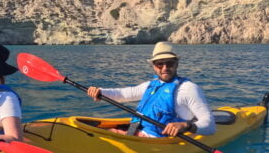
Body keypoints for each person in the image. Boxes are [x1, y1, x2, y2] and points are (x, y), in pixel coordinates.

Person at [86, 41, 216, 137]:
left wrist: (186, 125)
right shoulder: (151, 85)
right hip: (136, 132)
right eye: (160, 64)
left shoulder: (189, 89)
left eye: (169, 63)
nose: (165, 68)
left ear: (176, 64)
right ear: (153, 66)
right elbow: (123, 94)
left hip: (159, 141)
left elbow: (210, 125)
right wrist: (100, 91)